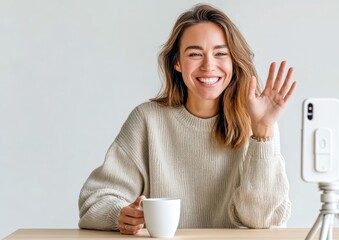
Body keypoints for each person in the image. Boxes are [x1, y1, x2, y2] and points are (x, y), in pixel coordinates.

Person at [78, 3, 297, 235]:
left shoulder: (257, 122)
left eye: (221, 53)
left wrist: (263, 132)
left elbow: (260, 220)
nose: (208, 66)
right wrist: (121, 214)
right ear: (177, 63)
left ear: (233, 61)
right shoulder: (148, 120)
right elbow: (93, 202)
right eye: (195, 54)